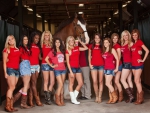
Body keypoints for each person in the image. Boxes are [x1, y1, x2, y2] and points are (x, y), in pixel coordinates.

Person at [65, 36, 88, 104]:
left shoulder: (77, 48)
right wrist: (71, 71)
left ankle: (73, 97)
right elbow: (68, 62)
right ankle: (73, 99)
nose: (72, 41)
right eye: (70, 40)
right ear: (68, 42)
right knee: (71, 84)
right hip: (71, 68)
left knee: (81, 83)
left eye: (73, 40)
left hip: (78, 67)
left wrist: (80, 42)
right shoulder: (68, 50)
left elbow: (86, 48)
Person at [45, 38, 66, 106]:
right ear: (54, 43)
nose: (57, 43)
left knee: (61, 85)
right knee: (61, 84)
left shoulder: (62, 50)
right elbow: (46, 59)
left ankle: (61, 100)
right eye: (56, 42)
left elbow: (63, 59)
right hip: (57, 70)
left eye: (59, 42)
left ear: (60, 43)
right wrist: (52, 65)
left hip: (63, 69)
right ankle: (57, 98)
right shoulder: (53, 51)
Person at [13, 35, 32, 109]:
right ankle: (23, 103)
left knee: (27, 86)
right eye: (24, 39)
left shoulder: (27, 48)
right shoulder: (20, 48)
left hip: (28, 65)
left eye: (27, 39)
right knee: (26, 85)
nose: (26, 40)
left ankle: (14, 99)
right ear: (22, 40)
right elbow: (18, 57)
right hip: (24, 65)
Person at [131, 29, 149, 105]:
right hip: (133, 64)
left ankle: (140, 97)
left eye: (136, 35)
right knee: (138, 81)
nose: (134, 36)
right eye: (133, 35)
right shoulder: (132, 43)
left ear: (138, 35)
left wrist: (142, 60)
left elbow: (147, 50)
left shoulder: (139, 42)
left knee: (136, 80)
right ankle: (138, 96)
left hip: (138, 64)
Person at [3, 35, 20, 112]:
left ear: (14, 40)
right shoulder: (6, 50)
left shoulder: (17, 49)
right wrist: (5, 73)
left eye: (12, 39)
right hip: (10, 70)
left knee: (12, 88)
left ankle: (11, 106)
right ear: (8, 42)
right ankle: (7, 106)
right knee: (11, 88)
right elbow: (4, 63)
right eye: (9, 40)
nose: (11, 40)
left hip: (17, 70)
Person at [102, 38, 119, 104]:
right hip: (105, 69)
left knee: (107, 83)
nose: (105, 44)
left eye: (107, 42)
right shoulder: (104, 50)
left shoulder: (112, 49)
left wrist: (116, 68)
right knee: (110, 84)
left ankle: (115, 97)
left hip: (111, 68)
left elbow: (117, 59)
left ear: (109, 43)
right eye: (104, 42)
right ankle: (111, 98)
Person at [28, 32, 43, 107]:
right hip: (31, 66)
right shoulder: (29, 46)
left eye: (38, 38)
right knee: (33, 83)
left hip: (37, 66)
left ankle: (30, 100)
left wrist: (48, 59)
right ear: (32, 38)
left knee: (33, 84)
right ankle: (37, 100)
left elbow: (40, 57)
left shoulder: (38, 47)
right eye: (36, 38)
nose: (37, 39)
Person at [88, 33, 104, 103]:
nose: (97, 39)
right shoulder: (91, 46)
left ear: (100, 39)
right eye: (96, 38)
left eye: (98, 38)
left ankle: (100, 97)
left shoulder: (103, 46)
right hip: (93, 65)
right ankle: (96, 96)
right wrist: (90, 64)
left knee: (100, 81)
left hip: (101, 65)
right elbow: (89, 56)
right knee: (94, 81)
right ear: (94, 39)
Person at [120, 30, 134, 103]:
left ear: (129, 36)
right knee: (129, 80)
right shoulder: (123, 43)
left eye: (126, 35)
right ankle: (132, 96)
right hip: (125, 63)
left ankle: (131, 96)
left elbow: (134, 52)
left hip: (128, 63)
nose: (125, 37)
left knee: (122, 80)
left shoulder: (130, 43)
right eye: (124, 35)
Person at [41, 31, 54, 105]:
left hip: (52, 63)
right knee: (46, 81)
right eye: (45, 35)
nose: (46, 36)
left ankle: (48, 95)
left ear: (50, 36)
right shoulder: (42, 44)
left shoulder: (52, 44)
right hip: (45, 63)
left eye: (48, 35)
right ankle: (47, 99)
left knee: (52, 82)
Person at [111, 33, 123, 102]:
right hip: (113, 65)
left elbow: (119, 56)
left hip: (118, 65)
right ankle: (116, 95)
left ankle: (121, 95)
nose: (115, 39)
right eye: (113, 38)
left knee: (116, 81)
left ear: (118, 39)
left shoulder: (118, 46)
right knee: (114, 82)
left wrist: (116, 66)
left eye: (116, 38)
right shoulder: (112, 46)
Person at [78, 35, 91, 100]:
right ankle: (83, 94)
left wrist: (81, 42)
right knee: (81, 81)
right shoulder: (78, 46)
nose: (81, 40)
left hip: (86, 65)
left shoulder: (88, 46)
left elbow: (87, 49)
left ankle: (88, 95)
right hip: (79, 65)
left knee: (86, 80)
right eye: (80, 39)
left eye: (82, 39)